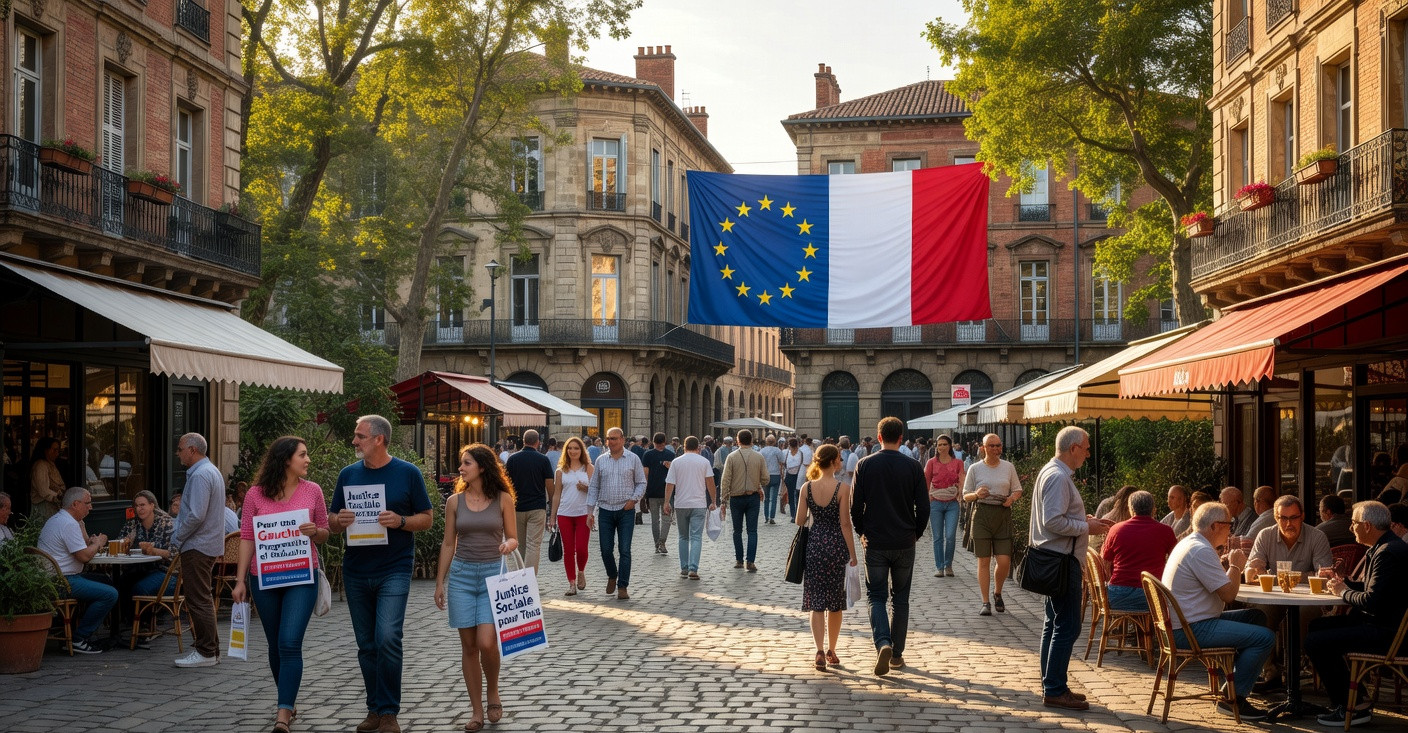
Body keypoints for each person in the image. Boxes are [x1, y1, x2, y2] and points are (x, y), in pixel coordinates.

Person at [328, 415, 434, 733]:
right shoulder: (348, 475)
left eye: (359, 436)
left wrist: (400, 521)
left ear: (379, 439)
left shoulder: (408, 473)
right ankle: (374, 709)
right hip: (356, 569)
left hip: (395, 568)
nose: (354, 441)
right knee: (366, 644)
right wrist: (339, 520)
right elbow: (331, 520)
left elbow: (427, 518)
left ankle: (389, 711)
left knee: (387, 636)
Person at [231, 436, 331, 733]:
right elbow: (246, 536)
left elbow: (325, 532)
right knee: (275, 646)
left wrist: (315, 532)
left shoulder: (312, 491)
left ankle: (282, 714)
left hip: (301, 575)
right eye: (303, 455)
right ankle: (287, 699)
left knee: (289, 642)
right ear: (286, 459)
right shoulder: (255, 495)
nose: (308, 460)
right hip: (263, 577)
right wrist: (240, 581)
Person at [434, 444, 519, 733]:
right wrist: (439, 583)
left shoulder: (503, 499)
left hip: (493, 576)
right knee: (469, 647)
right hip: (461, 576)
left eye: (466, 463)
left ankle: (493, 691)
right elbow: (448, 543)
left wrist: (509, 544)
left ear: (482, 467)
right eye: (461, 464)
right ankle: (476, 710)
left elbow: (513, 537)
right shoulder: (454, 502)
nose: (461, 468)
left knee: (486, 642)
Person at [1162, 502, 1273, 721]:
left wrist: (1225, 567)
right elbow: (1229, 595)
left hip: (1188, 621)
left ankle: (1232, 681)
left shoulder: (1192, 544)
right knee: (1265, 638)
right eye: (1229, 524)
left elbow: (1216, 586)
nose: (1232, 529)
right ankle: (1234, 698)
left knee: (1256, 617)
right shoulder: (1201, 551)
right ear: (1215, 526)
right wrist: (1236, 566)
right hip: (1191, 629)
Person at [1029, 426, 1113, 710]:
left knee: (1055, 623)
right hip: (1061, 560)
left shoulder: (1053, 472)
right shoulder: (1058, 476)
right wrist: (1085, 525)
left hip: (1057, 558)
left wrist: (1082, 519)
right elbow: (1053, 521)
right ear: (1073, 448)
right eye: (1086, 448)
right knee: (1068, 625)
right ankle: (1053, 688)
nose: (1088, 454)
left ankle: (1053, 683)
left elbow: (1057, 515)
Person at [1306, 501, 1408, 727]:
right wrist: (1348, 584)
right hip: (1382, 624)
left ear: (1368, 525)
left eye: (1354, 523)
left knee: (1315, 641)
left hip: (1388, 635)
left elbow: (1371, 602)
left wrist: (1343, 592)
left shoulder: (1388, 553)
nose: (1351, 528)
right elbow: (1378, 590)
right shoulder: (1386, 546)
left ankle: (1350, 706)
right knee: (1316, 626)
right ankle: (1356, 697)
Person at [850, 416, 927, 676]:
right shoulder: (914, 466)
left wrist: (862, 531)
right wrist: (915, 533)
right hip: (905, 540)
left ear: (879, 437)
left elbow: (854, 507)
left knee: (876, 596)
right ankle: (896, 655)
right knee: (901, 599)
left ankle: (883, 641)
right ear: (901, 437)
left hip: (876, 542)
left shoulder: (864, 464)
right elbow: (924, 508)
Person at [1242, 494, 1333, 689]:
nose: (1289, 523)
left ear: (1302, 516)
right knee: (1260, 615)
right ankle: (1271, 672)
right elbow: (1251, 573)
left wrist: (1284, 576)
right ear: (1276, 518)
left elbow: (1324, 577)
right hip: (1274, 596)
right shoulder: (1265, 535)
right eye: (1283, 518)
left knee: (1306, 616)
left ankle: (1296, 667)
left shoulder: (1317, 536)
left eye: (1293, 517)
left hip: (1306, 598)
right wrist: (1252, 569)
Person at [796, 444, 858, 671]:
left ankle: (819, 651)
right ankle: (832, 649)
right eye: (839, 458)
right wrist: (853, 554)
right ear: (833, 462)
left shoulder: (806, 487)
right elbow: (845, 523)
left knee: (816, 602)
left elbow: (799, 520)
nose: (841, 462)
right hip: (835, 546)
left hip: (814, 546)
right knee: (835, 603)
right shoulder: (842, 488)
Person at [171, 432, 228, 668]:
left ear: (192, 450)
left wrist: (177, 536)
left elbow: (196, 514)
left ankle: (206, 652)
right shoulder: (209, 471)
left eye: (180, 448)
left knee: (198, 599)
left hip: (198, 545)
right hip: (205, 544)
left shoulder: (201, 475)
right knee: (201, 597)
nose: (178, 453)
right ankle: (210, 650)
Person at [37, 486, 117, 654]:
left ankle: (102, 631)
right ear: (75, 504)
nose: (91, 507)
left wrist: (83, 527)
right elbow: (84, 557)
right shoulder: (67, 524)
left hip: (57, 577)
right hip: (60, 582)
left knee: (107, 581)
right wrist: (98, 543)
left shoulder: (60, 519)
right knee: (110, 593)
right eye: (88, 503)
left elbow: (83, 545)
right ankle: (80, 638)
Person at [962, 433, 1023, 615]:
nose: (995, 449)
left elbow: (1018, 489)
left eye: (998, 446)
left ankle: (997, 592)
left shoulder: (1008, 467)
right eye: (991, 446)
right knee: (984, 561)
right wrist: (976, 494)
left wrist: (1011, 498)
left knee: (1004, 561)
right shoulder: (975, 468)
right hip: (981, 515)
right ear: (983, 448)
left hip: (1002, 514)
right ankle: (985, 602)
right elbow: (965, 495)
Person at [586, 427, 645, 600]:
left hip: (625, 510)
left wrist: (633, 500)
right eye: (608, 439)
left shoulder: (633, 459)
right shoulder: (601, 460)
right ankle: (612, 574)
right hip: (605, 510)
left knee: (625, 549)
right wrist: (590, 512)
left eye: (614, 438)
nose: (611, 442)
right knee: (605, 549)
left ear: (622, 439)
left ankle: (623, 586)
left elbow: (641, 482)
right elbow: (594, 486)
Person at [1101, 490, 1177, 612]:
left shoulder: (1116, 529)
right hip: (1152, 596)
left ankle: (1121, 629)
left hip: (1118, 595)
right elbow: (1177, 560)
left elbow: (1105, 563)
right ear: (1153, 509)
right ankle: (1152, 631)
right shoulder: (1165, 531)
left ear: (1131, 509)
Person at [662, 436, 717, 580]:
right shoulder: (704, 462)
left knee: (683, 537)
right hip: (699, 504)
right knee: (696, 537)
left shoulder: (676, 462)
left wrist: (666, 502)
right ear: (698, 447)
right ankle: (694, 568)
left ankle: (684, 567)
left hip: (681, 504)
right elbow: (710, 483)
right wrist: (713, 501)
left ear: (684, 447)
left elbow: (670, 484)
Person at [504, 429, 554, 573]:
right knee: (533, 545)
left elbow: (507, 485)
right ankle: (530, 580)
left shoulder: (512, 459)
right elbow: (550, 485)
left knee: (518, 545)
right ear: (538, 442)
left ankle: (518, 578)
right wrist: (551, 505)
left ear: (523, 441)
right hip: (537, 507)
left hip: (516, 507)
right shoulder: (543, 460)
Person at [720, 429, 768, 572]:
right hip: (753, 497)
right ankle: (751, 562)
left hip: (736, 497)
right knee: (752, 531)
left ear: (738, 440)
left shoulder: (732, 457)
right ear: (752, 440)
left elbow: (725, 479)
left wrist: (723, 498)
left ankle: (739, 560)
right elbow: (766, 478)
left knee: (737, 530)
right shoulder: (759, 457)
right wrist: (757, 482)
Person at [551, 437, 594, 595]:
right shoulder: (561, 471)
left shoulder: (588, 468)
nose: (573, 451)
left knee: (581, 548)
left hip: (583, 513)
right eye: (570, 448)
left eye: (576, 448)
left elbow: (596, 492)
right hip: (564, 513)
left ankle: (581, 571)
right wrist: (552, 517)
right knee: (568, 550)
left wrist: (586, 489)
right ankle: (572, 583)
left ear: (581, 450)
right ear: (566, 451)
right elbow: (556, 495)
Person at [118, 490, 177, 598]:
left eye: (142, 505)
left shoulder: (167, 522)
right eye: (136, 506)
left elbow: (175, 553)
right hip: (138, 570)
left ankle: (142, 615)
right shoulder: (132, 524)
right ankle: (126, 615)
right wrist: (126, 542)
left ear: (152, 505)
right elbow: (119, 546)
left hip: (164, 572)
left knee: (139, 589)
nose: (139, 508)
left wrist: (153, 551)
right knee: (119, 585)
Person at [924, 434, 965, 578]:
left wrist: (961, 491)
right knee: (937, 537)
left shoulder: (958, 462)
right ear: (936, 447)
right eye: (939, 444)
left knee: (950, 536)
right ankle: (939, 567)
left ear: (950, 446)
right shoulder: (931, 463)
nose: (942, 447)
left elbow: (962, 478)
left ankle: (948, 565)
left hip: (952, 503)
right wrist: (928, 497)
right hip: (935, 502)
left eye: (944, 444)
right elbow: (926, 481)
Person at [641, 433, 673, 555]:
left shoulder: (648, 455)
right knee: (666, 519)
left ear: (653, 442)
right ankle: (662, 543)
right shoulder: (670, 455)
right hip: (667, 492)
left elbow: (645, 474)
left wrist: (645, 491)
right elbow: (674, 474)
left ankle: (656, 544)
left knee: (655, 520)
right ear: (665, 442)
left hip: (652, 491)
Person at [29, 437, 65, 524]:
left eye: (58, 450)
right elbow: (43, 490)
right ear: (45, 450)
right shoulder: (40, 465)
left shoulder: (50, 464)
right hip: (44, 507)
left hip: (52, 507)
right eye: (54, 450)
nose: (56, 453)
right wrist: (58, 496)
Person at [759, 434, 785, 525]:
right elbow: (782, 460)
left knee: (766, 498)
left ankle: (766, 516)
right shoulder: (777, 450)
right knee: (774, 498)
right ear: (774, 442)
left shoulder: (762, 451)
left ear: (766, 441)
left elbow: (759, 463)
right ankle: (772, 517)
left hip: (765, 475)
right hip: (775, 475)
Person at [783, 437, 803, 517]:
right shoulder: (798, 453)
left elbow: (784, 464)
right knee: (793, 495)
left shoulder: (797, 453)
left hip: (795, 475)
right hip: (792, 476)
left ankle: (795, 514)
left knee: (795, 496)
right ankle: (794, 514)